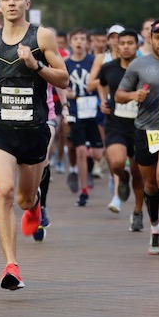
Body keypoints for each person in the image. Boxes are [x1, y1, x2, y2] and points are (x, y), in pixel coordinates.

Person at [0, 0, 68, 289]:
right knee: (5, 190)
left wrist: (36, 64)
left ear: (27, 4)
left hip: (34, 131)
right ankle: (11, 266)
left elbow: (64, 79)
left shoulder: (42, 36)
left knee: (26, 201)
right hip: (0, 129)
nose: (11, 3)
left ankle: (36, 201)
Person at [118, 18, 159, 255]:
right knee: (149, 184)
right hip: (145, 130)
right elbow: (119, 94)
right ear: (150, 39)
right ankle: (155, 227)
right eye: (158, 38)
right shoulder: (138, 64)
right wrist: (132, 96)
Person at [94, 27, 144, 229]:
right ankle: (122, 178)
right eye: (122, 43)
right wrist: (103, 100)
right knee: (116, 163)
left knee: (138, 172)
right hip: (116, 123)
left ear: (137, 45)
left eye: (130, 43)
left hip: (141, 125)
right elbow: (101, 83)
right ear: (116, 45)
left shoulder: (145, 67)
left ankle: (138, 212)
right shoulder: (109, 67)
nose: (125, 47)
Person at [64, 28, 103, 207]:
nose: (79, 42)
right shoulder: (65, 63)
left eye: (82, 39)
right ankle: (83, 191)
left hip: (93, 112)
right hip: (75, 111)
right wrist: (66, 95)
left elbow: (102, 83)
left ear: (88, 43)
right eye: (75, 39)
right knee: (79, 149)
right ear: (70, 42)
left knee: (96, 155)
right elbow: (59, 84)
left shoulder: (94, 62)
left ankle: (89, 160)